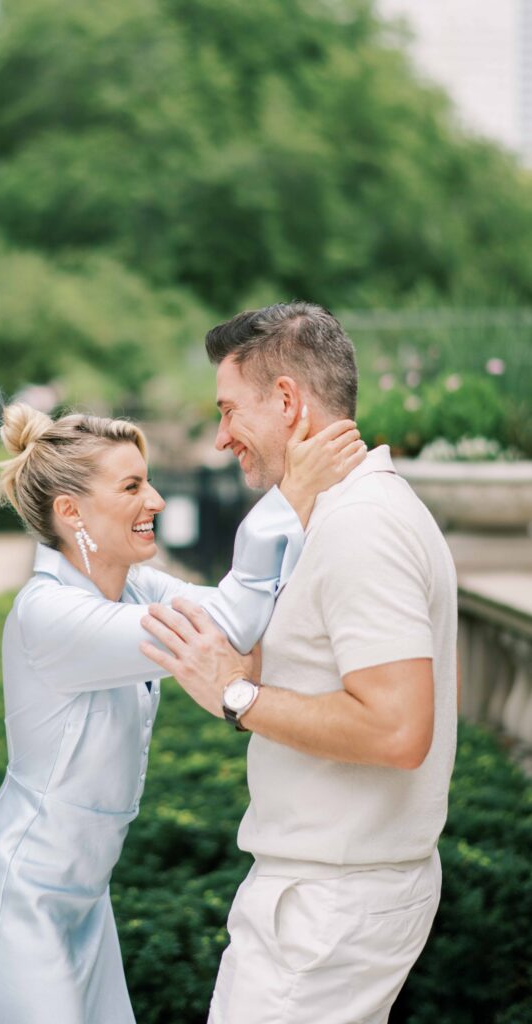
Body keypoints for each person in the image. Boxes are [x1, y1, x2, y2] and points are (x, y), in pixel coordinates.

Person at [0, 400, 365, 1024]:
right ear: (70, 511)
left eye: (148, 480)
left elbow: (242, 620)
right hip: (17, 898)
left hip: (83, 901)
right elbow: (226, 621)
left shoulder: (138, 586)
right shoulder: (46, 613)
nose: (156, 499)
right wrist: (290, 496)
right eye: (132, 486)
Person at [142, 301, 459, 1024]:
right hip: (325, 897)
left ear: (286, 401)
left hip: (328, 908)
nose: (221, 438)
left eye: (229, 410)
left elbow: (396, 730)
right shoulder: (331, 515)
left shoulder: (359, 526)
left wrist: (236, 696)